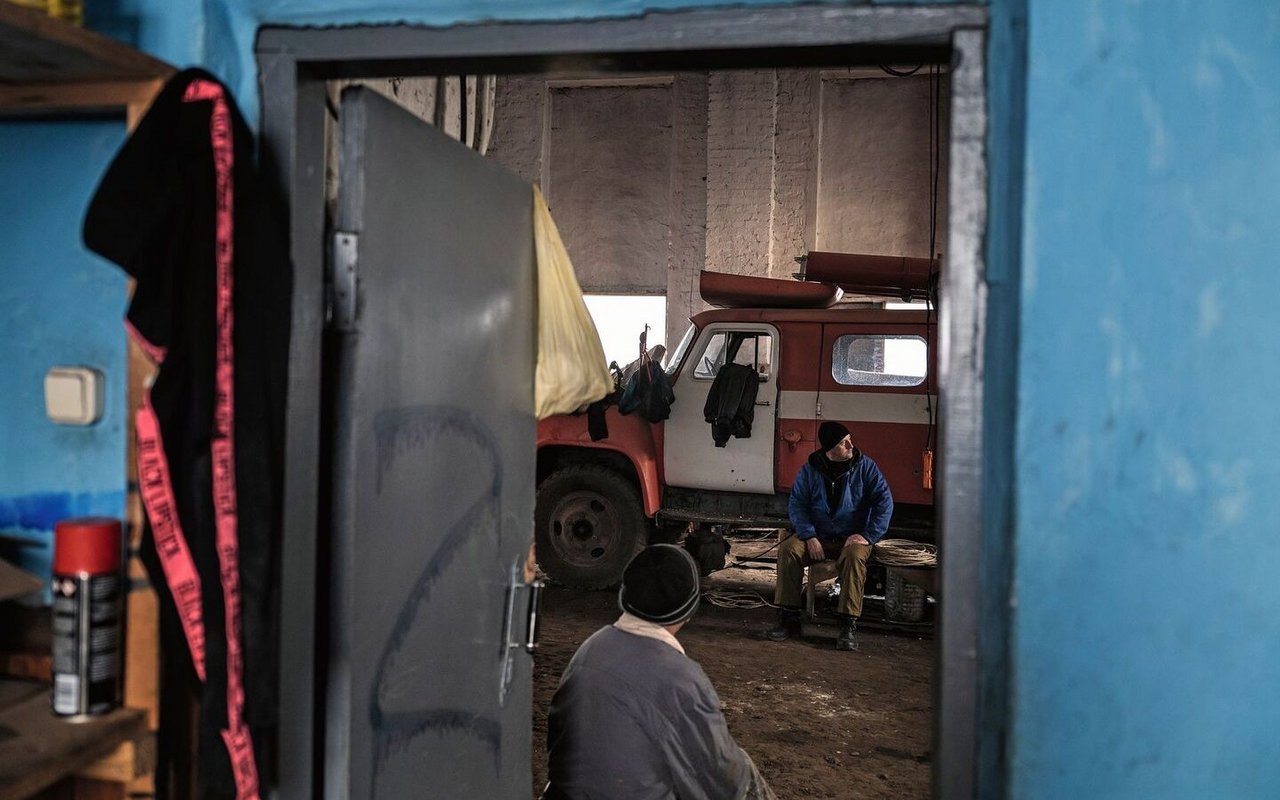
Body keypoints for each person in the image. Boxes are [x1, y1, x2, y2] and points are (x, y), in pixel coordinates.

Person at [543, 545, 776, 800]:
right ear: (689, 610)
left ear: (624, 595)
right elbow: (722, 781)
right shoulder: (682, 680)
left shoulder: (590, 649)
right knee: (743, 775)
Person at [767, 421, 893, 651]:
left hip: (851, 539)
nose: (850, 445)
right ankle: (788, 619)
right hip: (818, 536)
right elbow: (797, 504)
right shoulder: (810, 470)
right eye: (843, 442)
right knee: (788, 550)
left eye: (849, 439)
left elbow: (884, 502)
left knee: (855, 556)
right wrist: (809, 535)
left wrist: (868, 535)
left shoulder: (865, 467)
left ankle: (848, 626)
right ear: (830, 449)